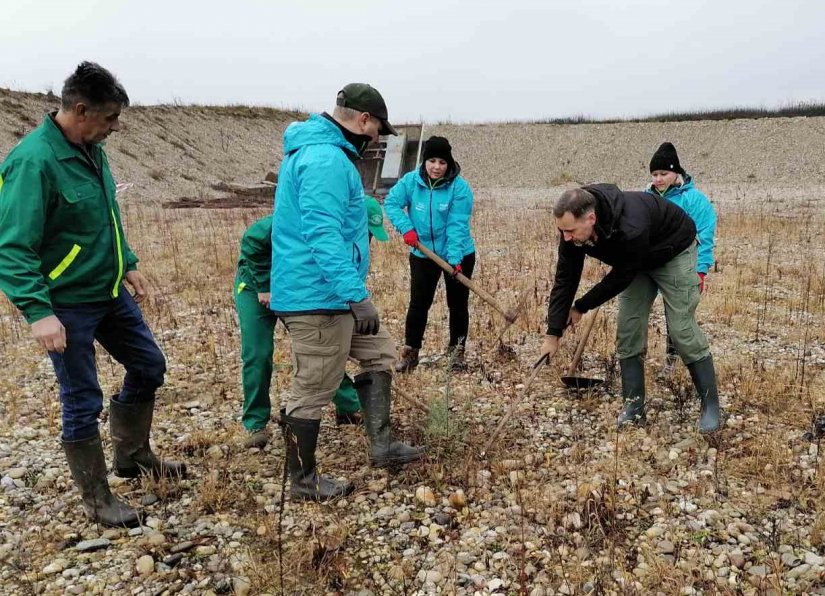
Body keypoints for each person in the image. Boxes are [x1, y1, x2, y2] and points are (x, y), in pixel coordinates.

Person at [0, 62, 185, 528]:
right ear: (80, 110)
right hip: (66, 303)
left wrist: (129, 262)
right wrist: (38, 311)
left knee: (149, 366)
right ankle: (98, 500)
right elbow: (12, 245)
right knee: (82, 398)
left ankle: (133, 456)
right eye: (109, 119)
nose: (115, 128)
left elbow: (105, 215)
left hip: (107, 292)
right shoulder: (33, 162)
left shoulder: (89, 148)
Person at [270, 83, 424, 502]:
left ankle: (382, 445)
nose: (377, 138)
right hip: (317, 297)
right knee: (313, 387)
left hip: (335, 294)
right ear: (363, 120)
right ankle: (302, 481)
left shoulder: (327, 154)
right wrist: (356, 295)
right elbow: (322, 236)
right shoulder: (324, 160)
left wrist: (352, 295)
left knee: (379, 353)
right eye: (377, 129)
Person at [539, 185, 721, 433]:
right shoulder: (571, 230)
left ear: (591, 219)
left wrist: (581, 306)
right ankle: (634, 405)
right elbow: (565, 277)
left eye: (570, 231)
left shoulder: (630, 226)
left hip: (672, 250)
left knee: (681, 330)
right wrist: (553, 332)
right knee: (628, 328)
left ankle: (710, 406)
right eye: (562, 231)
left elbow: (621, 277)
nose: (566, 237)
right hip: (636, 258)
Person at [234, 196, 389, 448]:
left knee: (324, 345)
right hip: (255, 287)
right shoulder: (307, 219)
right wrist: (264, 287)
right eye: (366, 231)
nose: (368, 238)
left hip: (294, 287)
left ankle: (348, 407)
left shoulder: (347, 241)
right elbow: (252, 240)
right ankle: (256, 423)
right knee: (257, 354)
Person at [384, 136, 476, 373]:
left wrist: (455, 259)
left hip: (458, 254)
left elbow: (457, 225)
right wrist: (407, 228)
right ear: (424, 161)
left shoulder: (459, 188)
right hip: (422, 253)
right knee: (418, 304)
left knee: (457, 305)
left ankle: (457, 353)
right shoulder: (411, 182)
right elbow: (392, 203)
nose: (436, 167)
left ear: (449, 163)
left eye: (442, 162)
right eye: (432, 161)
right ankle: (411, 353)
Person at [645, 142, 717, 375]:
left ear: (676, 172)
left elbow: (704, 237)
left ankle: (675, 360)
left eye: (663, 173)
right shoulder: (647, 197)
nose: (658, 179)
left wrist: (700, 270)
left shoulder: (694, 200)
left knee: (676, 315)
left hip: (681, 265)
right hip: (651, 264)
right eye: (654, 174)